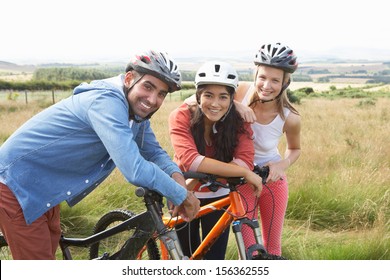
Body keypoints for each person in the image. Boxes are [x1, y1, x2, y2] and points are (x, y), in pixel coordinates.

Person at [0, 50, 200, 260]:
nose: (152, 99)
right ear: (130, 78)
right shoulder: (106, 102)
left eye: (161, 94)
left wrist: (177, 180)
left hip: (44, 187)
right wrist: (182, 195)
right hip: (16, 184)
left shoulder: (135, 114)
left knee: (47, 252)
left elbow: (153, 152)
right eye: (148, 87)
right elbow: (135, 168)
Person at [168, 61, 264, 259]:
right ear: (198, 96)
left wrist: (198, 178)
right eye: (208, 95)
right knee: (186, 258)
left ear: (232, 99)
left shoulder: (239, 121)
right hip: (182, 191)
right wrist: (244, 173)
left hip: (217, 194)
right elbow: (191, 161)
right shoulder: (180, 116)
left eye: (223, 97)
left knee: (215, 258)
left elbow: (245, 160)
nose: (215, 103)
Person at [234, 42, 301, 259]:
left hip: (272, 181)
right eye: (262, 77)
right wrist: (236, 105)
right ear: (255, 75)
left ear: (285, 83)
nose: (266, 85)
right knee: (250, 250)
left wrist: (282, 164)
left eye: (275, 80)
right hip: (242, 179)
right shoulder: (241, 91)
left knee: (273, 250)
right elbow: (206, 98)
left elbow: (295, 149)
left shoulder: (290, 117)